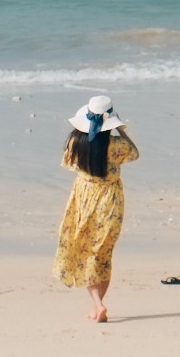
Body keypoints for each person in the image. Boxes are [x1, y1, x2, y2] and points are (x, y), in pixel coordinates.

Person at [53, 94, 139, 322]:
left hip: (84, 197)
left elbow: (68, 163)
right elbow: (135, 153)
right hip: (109, 199)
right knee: (102, 254)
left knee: (85, 250)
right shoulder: (117, 145)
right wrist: (121, 129)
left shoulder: (76, 142)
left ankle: (97, 305)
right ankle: (98, 304)